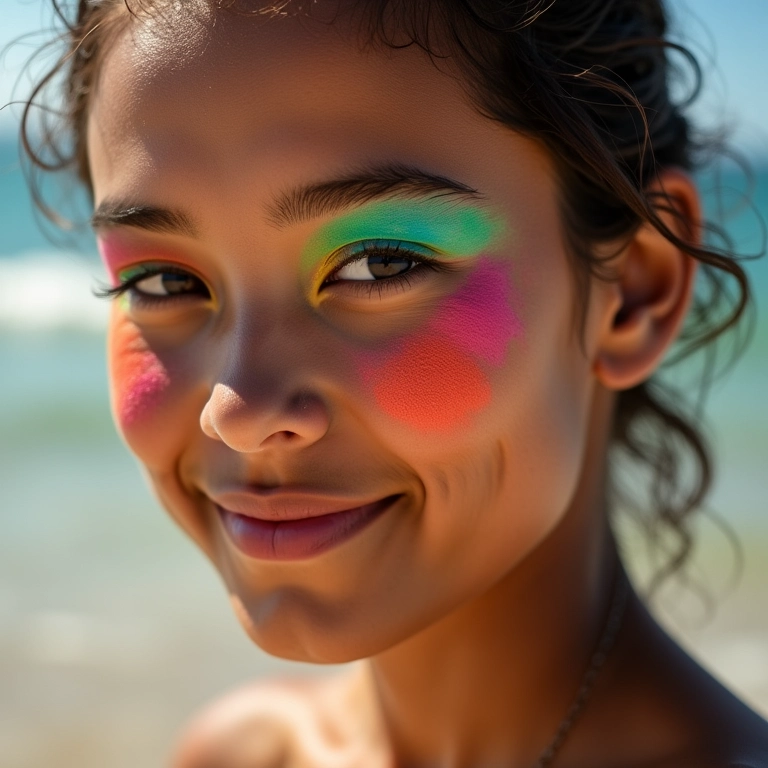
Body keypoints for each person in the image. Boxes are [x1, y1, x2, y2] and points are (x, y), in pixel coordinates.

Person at [19, 0, 768, 765]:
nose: (238, 411)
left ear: (634, 294)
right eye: (162, 281)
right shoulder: (239, 755)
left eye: (381, 263)